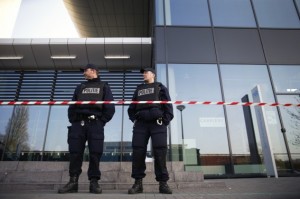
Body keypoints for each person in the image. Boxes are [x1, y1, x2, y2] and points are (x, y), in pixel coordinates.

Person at [58, 64, 115, 194]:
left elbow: (110, 107)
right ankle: (73, 182)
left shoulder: (104, 86)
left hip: (95, 124)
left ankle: (94, 183)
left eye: (86, 70)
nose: (84, 72)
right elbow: (72, 106)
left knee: (95, 153)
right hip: (78, 124)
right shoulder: (80, 87)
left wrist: (101, 121)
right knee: (75, 153)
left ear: (93, 71)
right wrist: (73, 120)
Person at [127, 67, 174, 194]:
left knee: (160, 152)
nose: (144, 75)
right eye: (143, 73)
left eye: (146, 72)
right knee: (138, 152)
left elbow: (168, 106)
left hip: (157, 124)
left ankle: (163, 184)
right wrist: (134, 119)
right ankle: (138, 184)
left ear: (153, 74)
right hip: (141, 124)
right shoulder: (138, 89)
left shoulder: (160, 87)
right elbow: (132, 108)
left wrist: (164, 121)